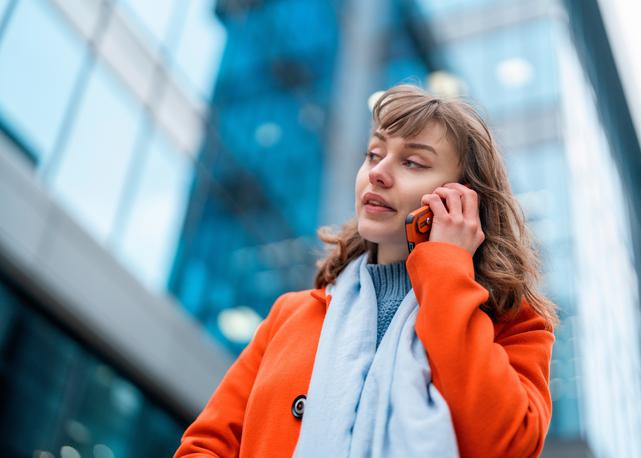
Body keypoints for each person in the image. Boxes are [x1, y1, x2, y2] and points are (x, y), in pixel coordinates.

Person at [173, 83, 558, 458]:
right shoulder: (291, 316)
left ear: (463, 200)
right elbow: (205, 446)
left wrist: (446, 271)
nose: (379, 173)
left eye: (413, 162)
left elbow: (505, 445)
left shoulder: (515, 324)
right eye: (374, 154)